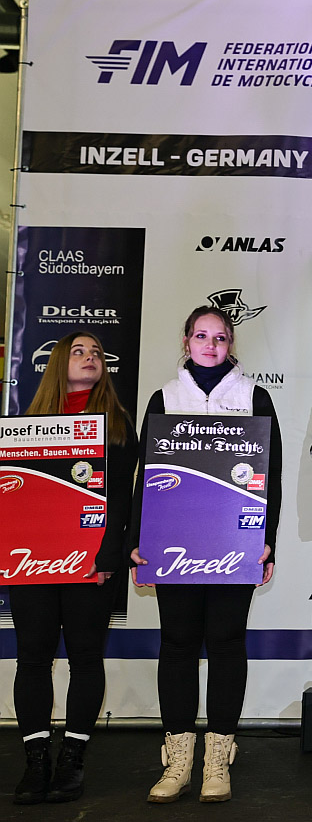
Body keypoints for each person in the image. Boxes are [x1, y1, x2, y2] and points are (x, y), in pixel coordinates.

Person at [129, 306, 282, 803]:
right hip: (175, 547)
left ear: (230, 343)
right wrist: (138, 541)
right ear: (186, 341)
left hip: (233, 545)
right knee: (177, 645)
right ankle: (177, 762)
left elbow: (271, 475)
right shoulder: (165, 397)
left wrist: (267, 541)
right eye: (201, 336)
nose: (210, 345)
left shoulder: (254, 397)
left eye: (219, 337)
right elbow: (145, 476)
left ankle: (218, 760)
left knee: (226, 643)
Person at [10, 333, 137, 804]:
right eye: (80, 352)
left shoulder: (117, 424)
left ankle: (72, 759)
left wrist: (108, 556)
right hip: (33, 562)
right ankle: (36, 760)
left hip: (91, 564)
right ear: (59, 361)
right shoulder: (27, 426)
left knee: (85, 658)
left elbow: (122, 498)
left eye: (97, 353)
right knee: (33, 658)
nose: (91, 358)